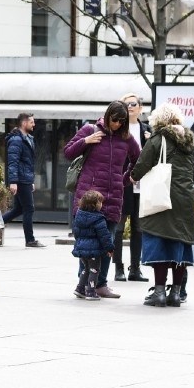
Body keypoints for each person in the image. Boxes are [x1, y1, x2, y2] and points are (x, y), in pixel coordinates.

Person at [63, 101, 140, 299]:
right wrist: (86, 141)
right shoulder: (90, 129)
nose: (117, 124)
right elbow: (68, 152)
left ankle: (101, 284)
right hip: (88, 198)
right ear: (107, 116)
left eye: (122, 122)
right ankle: (84, 283)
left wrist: (126, 179)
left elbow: (138, 159)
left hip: (113, 196)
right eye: (115, 120)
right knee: (87, 243)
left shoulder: (127, 138)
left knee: (108, 242)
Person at [130, 103, 194, 308]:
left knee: (159, 240)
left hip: (161, 197)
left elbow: (142, 165)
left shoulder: (158, 139)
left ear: (158, 120)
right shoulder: (190, 141)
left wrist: (133, 176)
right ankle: (175, 293)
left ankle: (159, 292)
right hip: (186, 198)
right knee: (179, 242)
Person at [113, 93, 151, 281]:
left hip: (143, 185)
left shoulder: (147, 130)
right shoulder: (118, 130)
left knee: (138, 228)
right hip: (123, 183)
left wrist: (151, 139)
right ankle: (118, 268)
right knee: (118, 227)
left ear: (140, 108)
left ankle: (135, 268)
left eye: (133, 104)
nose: (130, 107)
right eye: (126, 104)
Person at [3, 112, 46, 248]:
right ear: (24, 123)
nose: (34, 124)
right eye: (32, 122)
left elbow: (27, 163)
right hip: (20, 179)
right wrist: (13, 181)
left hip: (25, 178)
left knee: (18, 209)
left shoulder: (27, 139)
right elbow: (13, 162)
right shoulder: (16, 140)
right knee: (29, 208)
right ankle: (30, 240)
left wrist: (30, 180)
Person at [71, 190, 116, 301]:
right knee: (94, 270)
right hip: (94, 250)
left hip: (82, 249)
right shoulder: (99, 219)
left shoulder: (78, 215)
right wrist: (110, 248)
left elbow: (75, 231)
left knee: (85, 269)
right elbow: (105, 236)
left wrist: (80, 243)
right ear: (94, 204)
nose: (102, 205)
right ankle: (91, 292)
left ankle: (80, 288)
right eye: (100, 202)